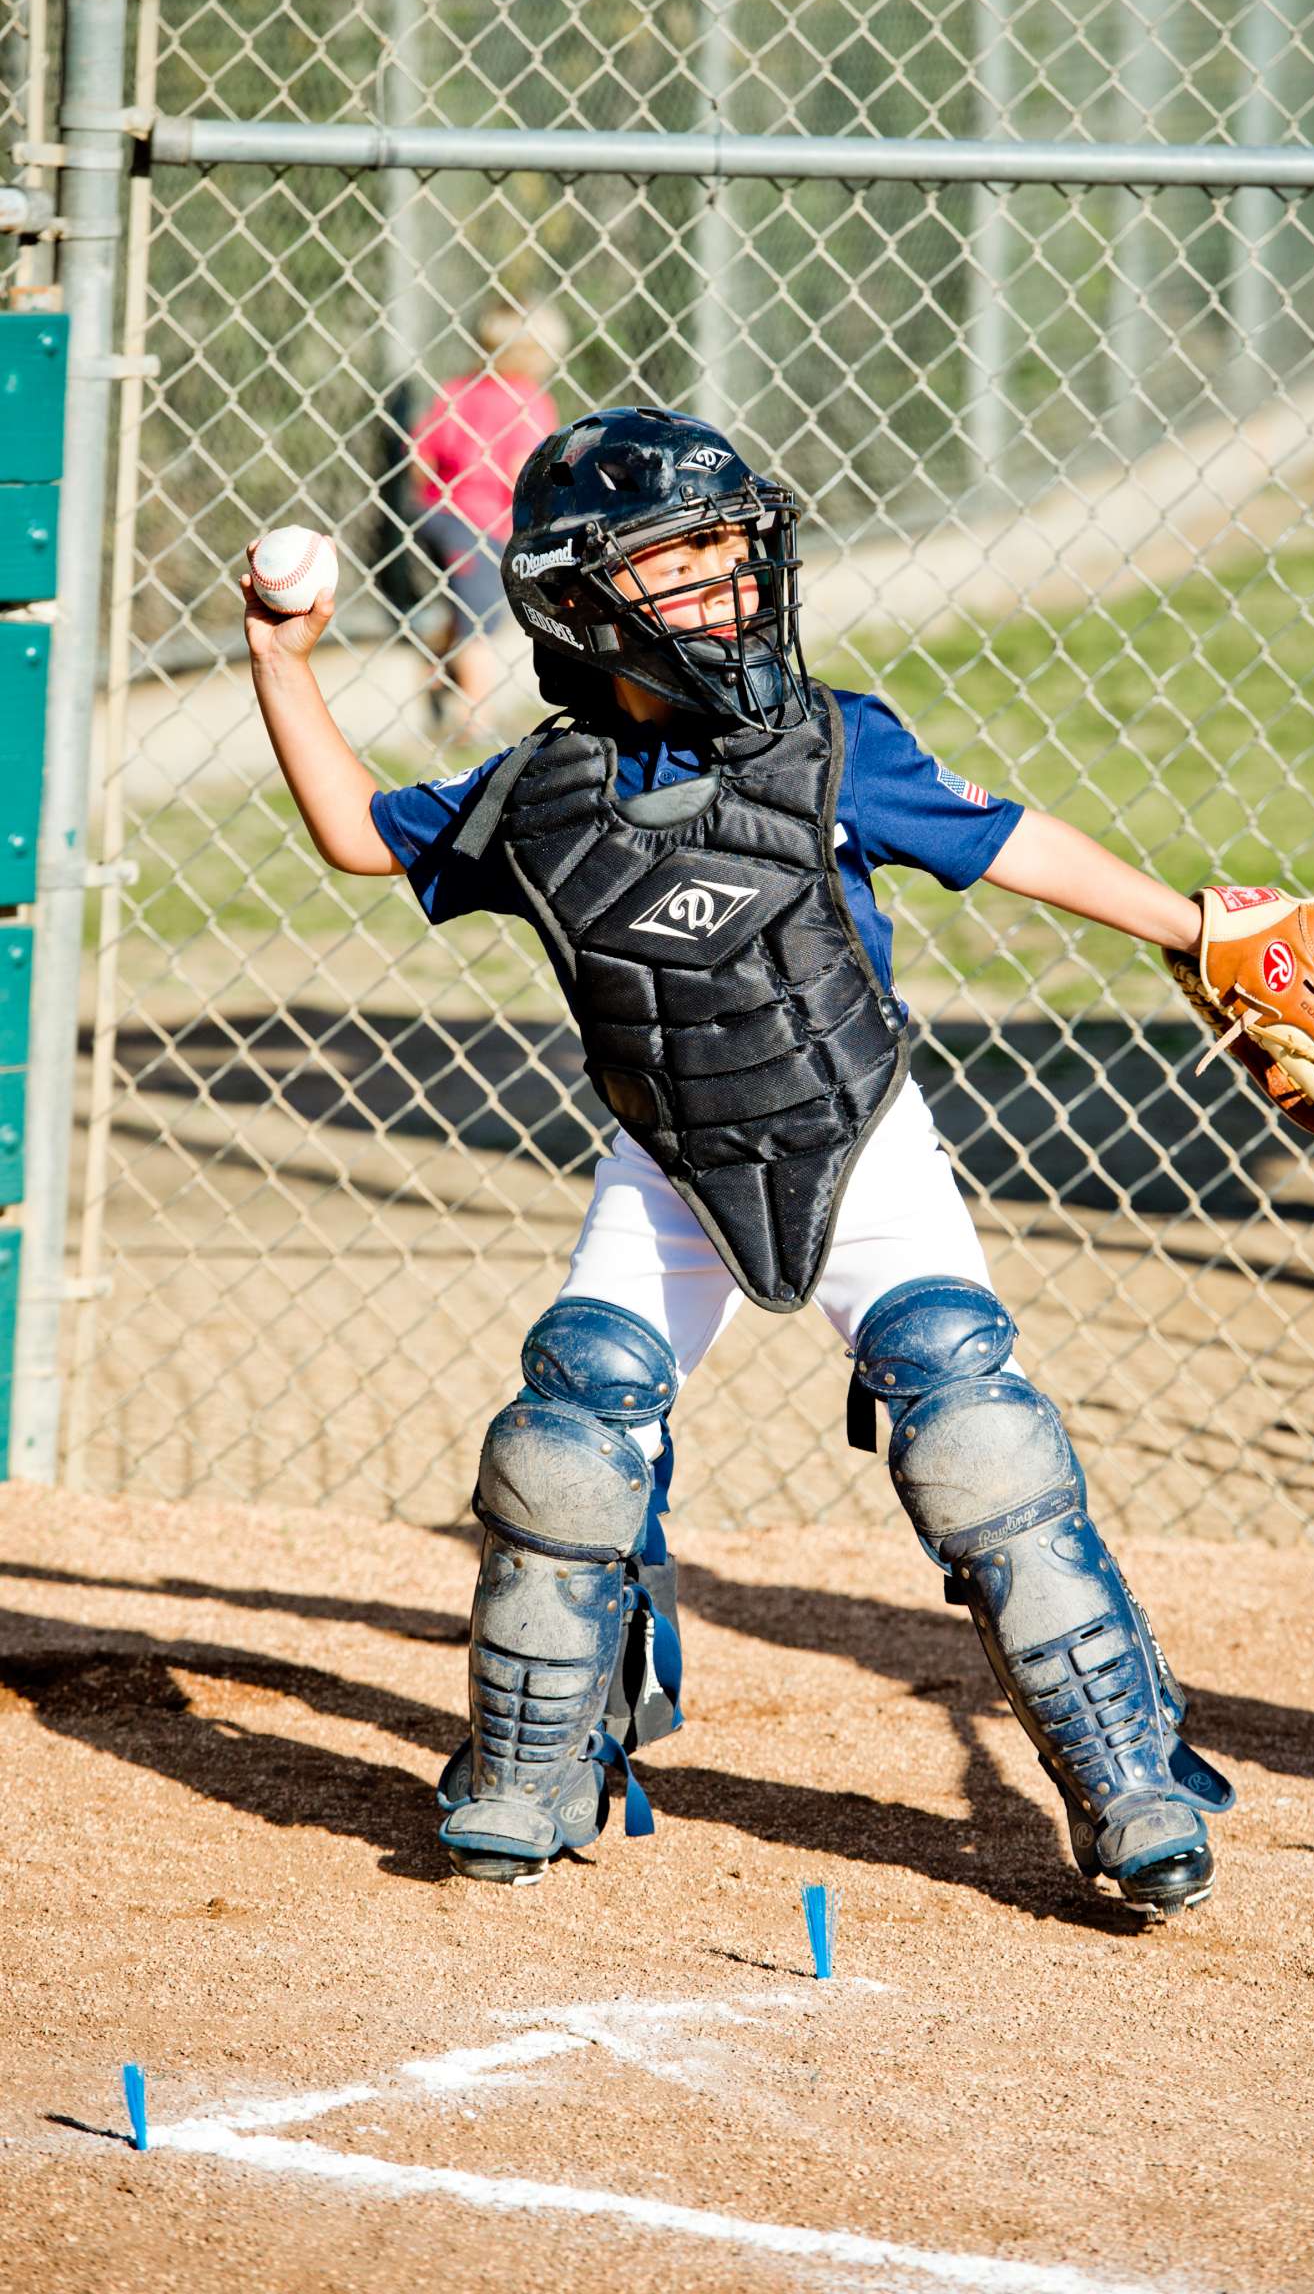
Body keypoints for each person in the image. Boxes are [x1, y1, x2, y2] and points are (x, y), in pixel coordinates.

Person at [243, 404, 1245, 1925]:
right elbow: (356, 838)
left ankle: (1133, 1784)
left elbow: (1013, 840)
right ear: (581, 600)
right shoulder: (540, 796)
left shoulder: (836, 745)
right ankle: (531, 1768)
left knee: (975, 1431)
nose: (731, 588)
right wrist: (281, 656)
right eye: (683, 564)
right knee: (567, 1441)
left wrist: (1197, 931)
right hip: (667, 1162)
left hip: (860, 1145)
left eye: (737, 554)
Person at [410, 299, 568, 742]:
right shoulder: (530, 402)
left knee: (465, 612)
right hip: (480, 523)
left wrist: (439, 490)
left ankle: (435, 675)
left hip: (436, 514)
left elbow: (421, 453)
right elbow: (526, 468)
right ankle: (476, 722)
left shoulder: (458, 389)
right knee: (479, 625)